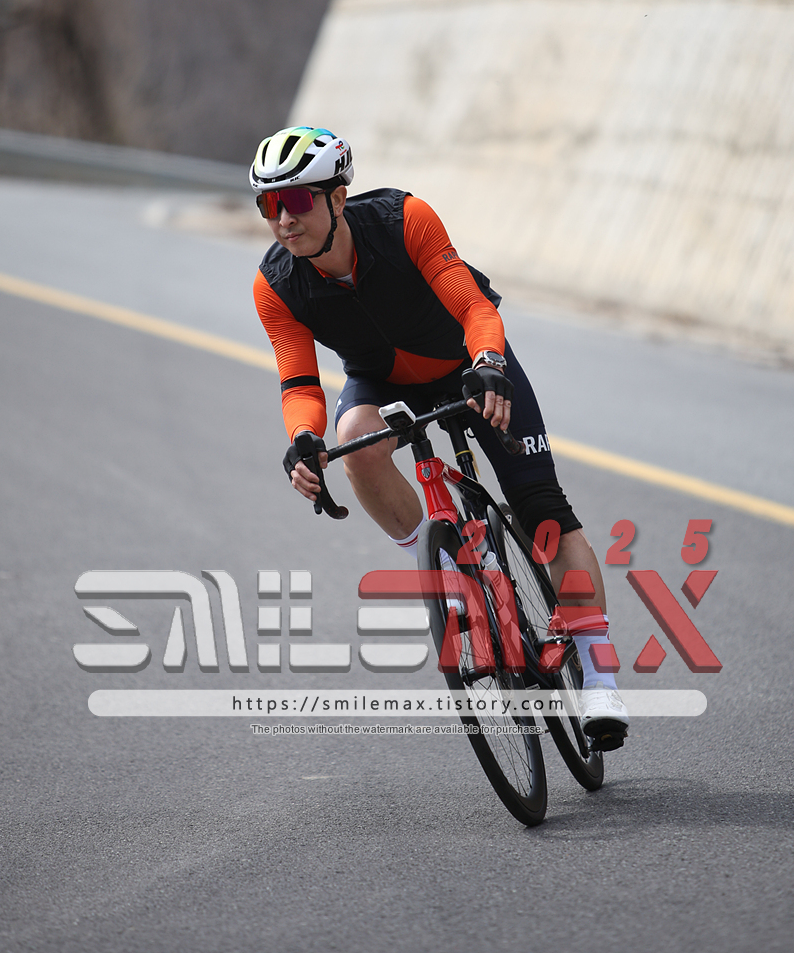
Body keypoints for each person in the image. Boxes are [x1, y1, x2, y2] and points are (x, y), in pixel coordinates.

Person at [250, 125, 628, 748]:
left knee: (543, 513)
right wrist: (303, 440)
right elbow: (299, 383)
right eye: (269, 204)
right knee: (353, 438)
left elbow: (475, 308)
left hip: (469, 366)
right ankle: (449, 569)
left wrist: (489, 363)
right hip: (382, 381)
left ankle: (599, 676)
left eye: (295, 200)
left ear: (337, 198)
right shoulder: (276, 285)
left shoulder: (404, 220)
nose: (283, 220)